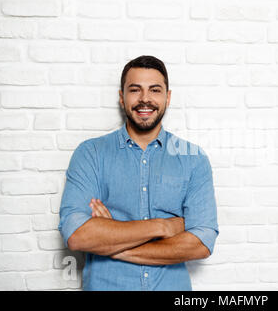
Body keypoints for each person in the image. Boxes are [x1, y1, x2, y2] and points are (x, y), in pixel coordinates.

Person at [58, 55, 219, 291]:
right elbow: (78, 235)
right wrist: (164, 227)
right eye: (135, 90)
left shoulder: (193, 159)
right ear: (122, 98)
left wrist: (113, 241)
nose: (145, 99)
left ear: (168, 97)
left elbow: (201, 243)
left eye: (155, 90)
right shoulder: (91, 153)